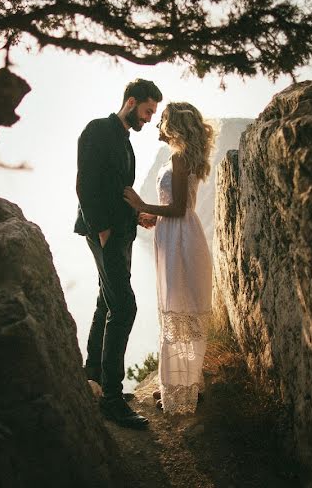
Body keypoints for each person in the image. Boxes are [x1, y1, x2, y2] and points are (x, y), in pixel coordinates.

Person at [75, 78, 162, 429]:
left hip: (121, 232)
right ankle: (112, 397)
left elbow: (118, 191)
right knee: (124, 307)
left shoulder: (126, 141)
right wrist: (103, 230)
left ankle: (93, 377)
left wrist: (136, 216)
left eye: (152, 113)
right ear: (130, 101)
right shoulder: (97, 130)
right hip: (105, 234)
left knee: (105, 303)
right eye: (147, 111)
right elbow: (85, 185)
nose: (149, 119)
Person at [123, 102, 215, 415]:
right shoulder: (186, 155)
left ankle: (180, 393)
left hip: (179, 238)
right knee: (181, 313)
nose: (158, 126)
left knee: (176, 310)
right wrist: (153, 215)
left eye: (162, 120)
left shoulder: (179, 156)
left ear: (172, 124)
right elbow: (176, 207)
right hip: (180, 233)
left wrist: (140, 204)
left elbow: (176, 208)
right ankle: (184, 387)